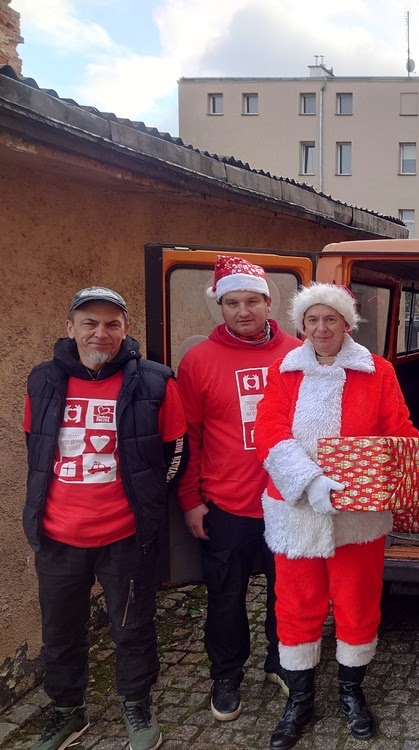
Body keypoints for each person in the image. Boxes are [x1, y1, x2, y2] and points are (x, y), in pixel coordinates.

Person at [255, 283, 419, 748]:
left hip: (358, 514)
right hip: (296, 510)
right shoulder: (282, 371)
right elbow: (268, 432)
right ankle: (300, 701)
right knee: (295, 604)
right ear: (301, 326)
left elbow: (398, 430)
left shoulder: (378, 372)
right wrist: (308, 481)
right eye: (312, 320)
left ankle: (352, 692)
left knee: (357, 601)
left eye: (331, 319)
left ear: (347, 323)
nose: (321, 328)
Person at [23, 286, 187, 750]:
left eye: (112, 323)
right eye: (90, 323)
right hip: (58, 535)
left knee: (132, 628)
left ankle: (136, 704)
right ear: (70, 327)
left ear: (126, 330)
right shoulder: (43, 380)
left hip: (126, 536)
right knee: (60, 630)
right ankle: (67, 711)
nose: (102, 333)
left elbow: (175, 451)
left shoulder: (155, 382)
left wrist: (149, 499)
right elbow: (36, 451)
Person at [176, 256, 301, 722]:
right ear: (220, 306)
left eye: (252, 300)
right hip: (227, 503)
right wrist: (191, 500)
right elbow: (187, 436)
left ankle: (281, 661)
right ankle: (227, 673)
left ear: (269, 303)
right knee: (225, 596)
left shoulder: (297, 353)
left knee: (286, 591)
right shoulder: (199, 361)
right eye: (232, 302)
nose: (242, 310)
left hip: (287, 500)